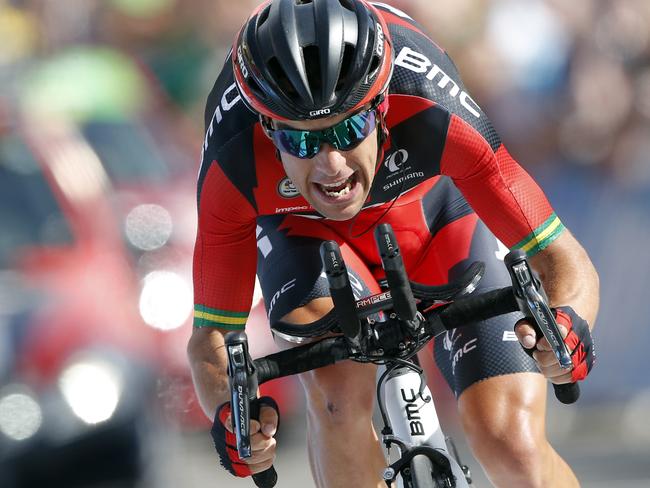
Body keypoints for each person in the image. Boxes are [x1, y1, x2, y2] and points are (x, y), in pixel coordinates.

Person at [187, 1, 598, 487]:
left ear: (382, 108)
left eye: (347, 129)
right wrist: (232, 419)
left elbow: (560, 257)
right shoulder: (232, 164)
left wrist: (569, 324)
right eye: (301, 143)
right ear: (268, 129)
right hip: (306, 236)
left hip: (430, 211)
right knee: (336, 396)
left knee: (510, 440)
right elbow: (212, 338)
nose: (331, 165)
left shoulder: (429, 104)